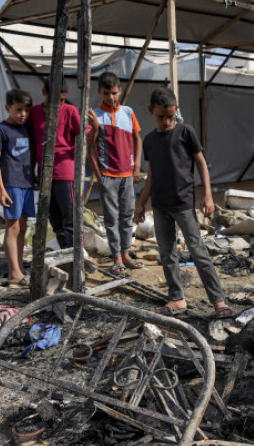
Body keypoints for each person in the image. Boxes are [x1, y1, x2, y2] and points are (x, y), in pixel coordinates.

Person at [133, 87, 231, 318]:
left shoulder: (186, 132)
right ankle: (177, 298)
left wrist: (208, 195)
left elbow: (201, 163)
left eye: (171, 116)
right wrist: (141, 204)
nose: (167, 121)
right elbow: (152, 175)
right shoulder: (149, 140)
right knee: (167, 254)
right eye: (161, 117)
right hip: (160, 206)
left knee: (198, 252)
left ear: (176, 111)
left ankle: (219, 301)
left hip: (183, 204)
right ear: (151, 111)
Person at [90, 71, 144, 274]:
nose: (110, 97)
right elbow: (90, 147)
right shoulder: (95, 115)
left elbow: (138, 138)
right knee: (111, 218)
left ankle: (126, 253)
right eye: (106, 93)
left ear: (120, 91)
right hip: (108, 176)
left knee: (127, 214)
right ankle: (116, 257)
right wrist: (100, 175)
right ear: (99, 92)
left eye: (114, 93)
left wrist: (136, 166)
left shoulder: (128, 112)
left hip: (127, 175)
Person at [29, 79, 82, 249]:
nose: (59, 104)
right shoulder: (34, 112)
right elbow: (32, 142)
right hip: (44, 172)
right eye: (56, 100)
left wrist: (93, 127)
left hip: (64, 170)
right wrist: (33, 172)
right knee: (53, 216)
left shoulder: (70, 111)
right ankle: (66, 249)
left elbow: (83, 133)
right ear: (44, 93)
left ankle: (73, 254)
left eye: (62, 100)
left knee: (69, 216)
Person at [0, 89, 34, 287]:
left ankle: (18, 268)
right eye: (18, 110)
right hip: (12, 184)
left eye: (26, 110)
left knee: (23, 227)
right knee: (13, 228)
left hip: (27, 184)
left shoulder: (27, 128)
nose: (23, 114)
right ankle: (14, 272)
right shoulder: (0, 129)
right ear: (8, 108)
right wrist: (2, 189)